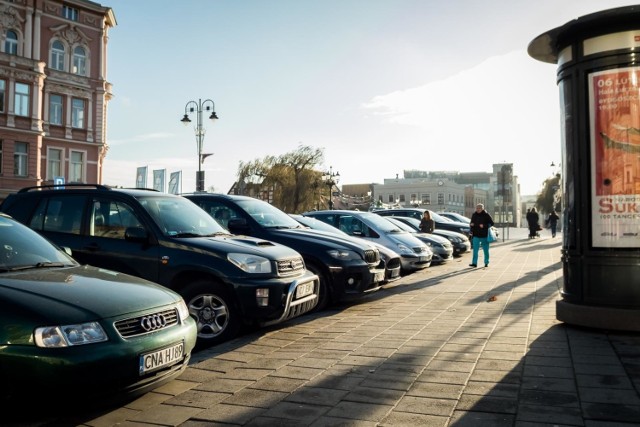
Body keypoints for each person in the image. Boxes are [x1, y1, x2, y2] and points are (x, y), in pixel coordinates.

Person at [469, 203, 494, 268]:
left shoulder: (486, 215)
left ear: (482, 208)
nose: (478, 209)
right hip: (476, 235)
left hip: (484, 235)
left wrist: (484, 226)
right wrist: (471, 225)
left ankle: (486, 262)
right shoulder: (474, 215)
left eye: (479, 208)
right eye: (477, 208)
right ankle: (474, 263)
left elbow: (492, 223)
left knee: (485, 250)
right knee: (475, 250)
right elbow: (471, 223)